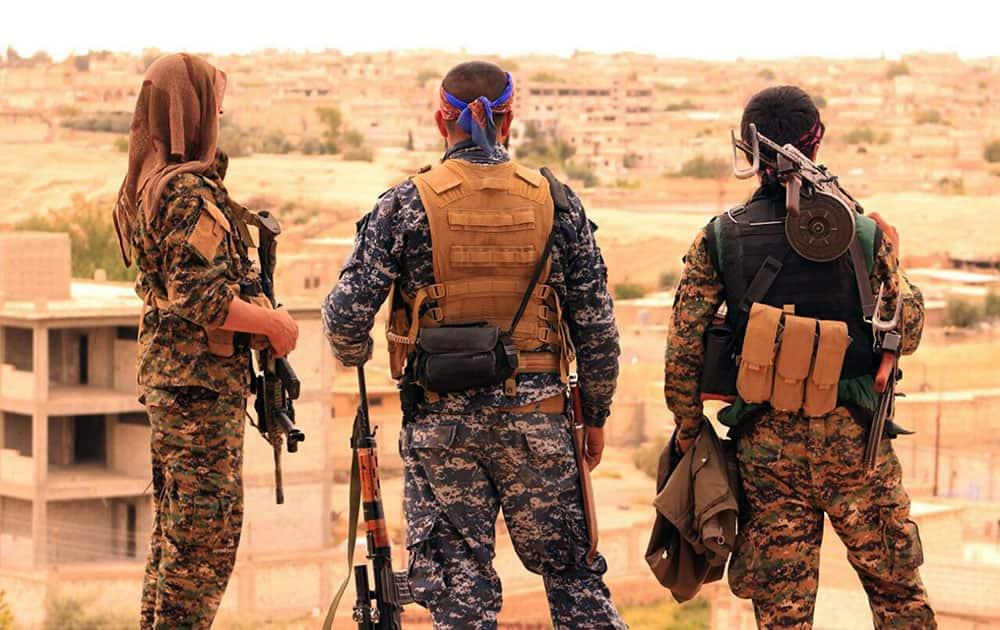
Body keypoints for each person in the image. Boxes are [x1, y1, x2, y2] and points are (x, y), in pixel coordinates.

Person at [323, 61, 626, 629]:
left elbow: (344, 320)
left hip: (442, 430)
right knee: (575, 582)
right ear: (509, 119)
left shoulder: (404, 204)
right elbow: (597, 328)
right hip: (540, 423)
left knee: (460, 598)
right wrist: (597, 416)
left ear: (442, 120)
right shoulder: (557, 202)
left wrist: (359, 354)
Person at [664, 85, 937, 629]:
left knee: (782, 614)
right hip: (857, 447)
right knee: (898, 596)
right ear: (816, 143)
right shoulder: (861, 233)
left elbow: (683, 350)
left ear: (747, 150)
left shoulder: (720, 238)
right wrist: (893, 256)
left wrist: (690, 430)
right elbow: (906, 330)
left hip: (767, 451)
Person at [113, 53, 299, 629]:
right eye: (213, 103)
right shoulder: (188, 191)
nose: (220, 113)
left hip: (174, 386)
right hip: (198, 392)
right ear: (189, 111)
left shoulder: (145, 183)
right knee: (203, 546)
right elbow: (200, 298)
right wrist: (272, 325)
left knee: (175, 539)